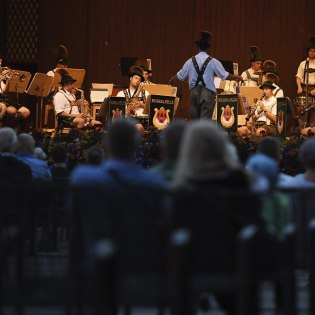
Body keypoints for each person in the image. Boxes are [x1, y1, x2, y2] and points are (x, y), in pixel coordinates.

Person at [168, 30, 243, 120]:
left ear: (198, 47)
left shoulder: (190, 61)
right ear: (207, 47)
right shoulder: (213, 61)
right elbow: (225, 75)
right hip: (207, 94)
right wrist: (237, 77)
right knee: (205, 121)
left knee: (194, 120)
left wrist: (171, 81)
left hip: (194, 93)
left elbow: (179, 76)